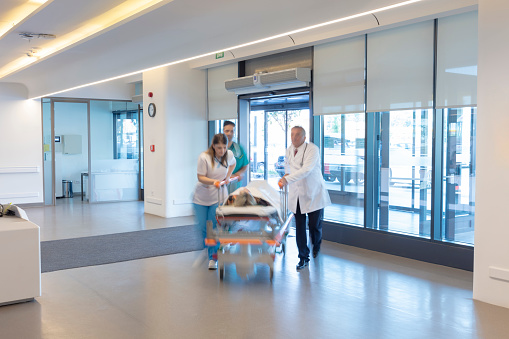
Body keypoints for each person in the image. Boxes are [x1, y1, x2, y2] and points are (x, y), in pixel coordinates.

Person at [278, 126, 331, 270]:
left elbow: (306, 170)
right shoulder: (289, 149)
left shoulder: (312, 149)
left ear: (304, 137)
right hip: (297, 194)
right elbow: (289, 168)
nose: (294, 138)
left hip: (313, 192)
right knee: (300, 226)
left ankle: (316, 244)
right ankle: (303, 257)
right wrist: (285, 176)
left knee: (314, 225)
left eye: (297, 135)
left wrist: (287, 180)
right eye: (292, 135)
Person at [193, 133, 236, 270]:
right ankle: (209, 248)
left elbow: (233, 164)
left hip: (218, 197)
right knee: (202, 227)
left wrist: (228, 177)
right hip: (201, 197)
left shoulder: (228, 154)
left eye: (224, 147)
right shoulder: (204, 157)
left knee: (213, 227)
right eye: (219, 148)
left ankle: (213, 257)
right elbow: (200, 177)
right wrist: (214, 182)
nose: (222, 151)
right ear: (213, 146)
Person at [223, 121, 249, 191]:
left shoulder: (239, 148)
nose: (229, 133)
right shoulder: (217, 149)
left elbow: (245, 164)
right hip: (222, 186)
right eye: (227, 131)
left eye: (232, 131)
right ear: (223, 131)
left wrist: (239, 173)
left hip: (235, 186)